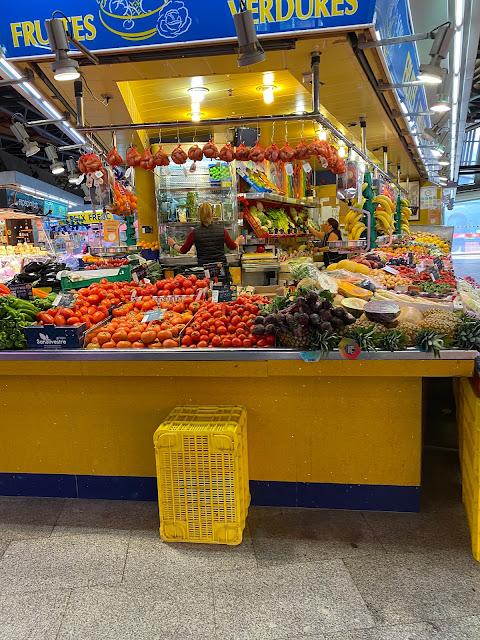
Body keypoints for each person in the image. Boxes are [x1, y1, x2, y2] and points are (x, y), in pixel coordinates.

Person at [167, 202, 243, 269]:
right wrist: (237, 241)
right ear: (212, 214)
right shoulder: (222, 230)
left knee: (206, 284)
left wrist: (173, 244)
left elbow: (183, 250)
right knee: (222, 285)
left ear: (199, 215)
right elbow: (232, 247)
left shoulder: (194, 233)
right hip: (220, 268)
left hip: (204, 269)